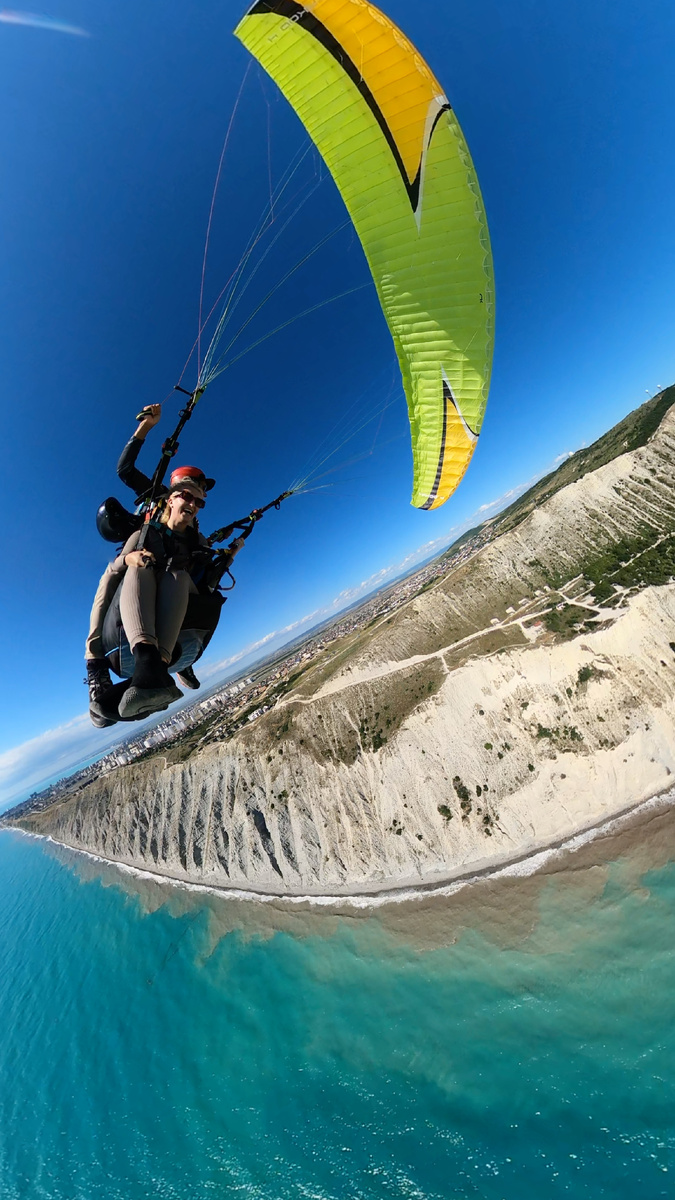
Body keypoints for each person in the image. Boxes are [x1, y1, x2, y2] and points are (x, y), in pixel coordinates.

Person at [85, 406, 217, 726]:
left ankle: (171, 666)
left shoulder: (195, 534)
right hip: (143, 566)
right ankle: (96, 665)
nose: (196, 500)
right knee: (113, 576)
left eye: (200, 498)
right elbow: (126, 470)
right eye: (191, 491)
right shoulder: (157, 496)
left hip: (174, 581)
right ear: (175, 491)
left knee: (189, 580)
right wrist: (146, 427)